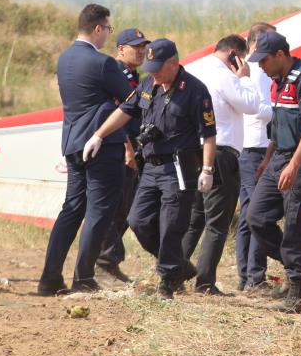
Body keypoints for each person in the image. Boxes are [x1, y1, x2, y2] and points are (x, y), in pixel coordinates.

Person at [84, 38, 217, 299]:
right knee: (138, 220)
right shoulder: (148, 85)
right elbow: (125, 111)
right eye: (150, 68)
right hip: (151, 168)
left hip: (178, 168)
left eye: (158, 68)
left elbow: (209, 134)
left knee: (171, 225)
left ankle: (167, 282)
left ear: (174, 63)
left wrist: (208, 169)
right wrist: (99, 135)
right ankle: (178, 266)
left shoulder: (195, 90)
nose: (153, 74)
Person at [37, 4, 131, 296]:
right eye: (108, 30)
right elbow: (131, 98)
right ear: (98, 29)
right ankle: (84, 277)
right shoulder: (103, 63)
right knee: (100, 210)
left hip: (73, 143)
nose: (108, 36)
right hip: (101, 145)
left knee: (72, 208)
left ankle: (50, 277)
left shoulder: (64, 60)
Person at [246, 31, 301, 313]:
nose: (260, 66)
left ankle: (297, 296)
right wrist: (267, 160)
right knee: (256, 217)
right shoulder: (276, 82)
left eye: (264, 60)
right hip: (277, 158)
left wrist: (294, 164)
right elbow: (278, 126)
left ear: (280, 55)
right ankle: (299, 268)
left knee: (294, 227)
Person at [182, 35, 264, 295]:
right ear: (233, 54)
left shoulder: (196, 70)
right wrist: (246, 77)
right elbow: (252, 105)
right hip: (221, 152)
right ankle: (205, 282)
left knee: (194, 218)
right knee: (217, 222)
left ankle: (172, 272)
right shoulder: (226, 76)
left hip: (194, 151)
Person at [96, 27, 150, 283]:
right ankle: (105, 263)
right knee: (114, 206)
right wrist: (128, 146)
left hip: (132, 146)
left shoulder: (135, 76)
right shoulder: (117, 73)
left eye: (143, 46)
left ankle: (108, 262)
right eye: (135, 46)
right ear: (120, 49)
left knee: (126, 207)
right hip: (119, 146)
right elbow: (116, 114)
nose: (141, 51)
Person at [236, 23, 275, 293]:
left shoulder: (247, 71)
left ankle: (246, 275)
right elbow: (259, 109)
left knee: (248, 213)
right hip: (257, 148)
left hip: (248, 147)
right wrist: (282, 109)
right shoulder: (258, 72)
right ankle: (255, 277)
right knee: (258, 213)